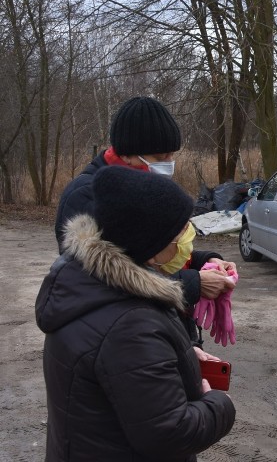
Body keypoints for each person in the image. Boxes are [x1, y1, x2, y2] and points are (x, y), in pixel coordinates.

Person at [36, 165, 236, 460]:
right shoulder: (130, 325)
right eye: (180, 232)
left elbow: (123, 372)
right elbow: (169, 433)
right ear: (151, 247)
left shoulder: (91, 284)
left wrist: (180, 353)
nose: (188, 240)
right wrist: (219, 404)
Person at [54, 96, 235, 351]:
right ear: (127, 154)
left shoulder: (145, 184)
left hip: (164, 324)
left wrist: (205, 261)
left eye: (171, 154)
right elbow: (104, 281)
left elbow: (155, 249)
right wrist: (193, 283)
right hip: (127, 339)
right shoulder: (85, 196)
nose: (168, 163)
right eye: (160, 156)